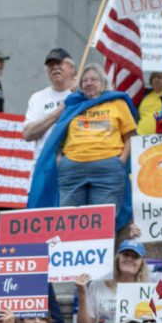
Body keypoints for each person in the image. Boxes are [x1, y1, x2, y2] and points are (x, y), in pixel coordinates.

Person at [54, 64, 137, 216]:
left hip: (107, 169)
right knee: (69, 220)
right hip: (72, 168)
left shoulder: (117, 103)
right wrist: (60, 158)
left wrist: (122, 160)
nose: (89, 83)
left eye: (94, 79)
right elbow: (59, 134)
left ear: (103, 82)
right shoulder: (73, 104)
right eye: (85, 80)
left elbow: (130, 135)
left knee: (103, 220)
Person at [23, 48, 76, 148]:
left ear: (72, 68)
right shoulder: (37, 98)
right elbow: (27, 134)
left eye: (59, 63)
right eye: (51, 65)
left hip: (73, 161)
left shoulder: (82, 95)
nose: (55, 67)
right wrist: (56, 115)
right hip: (45, 161)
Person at [136, 70, 162, 136]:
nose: (156, 79)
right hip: (140, 135)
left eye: (159, 77)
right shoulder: (145, 96)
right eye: (154, 77)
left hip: (160, 136)